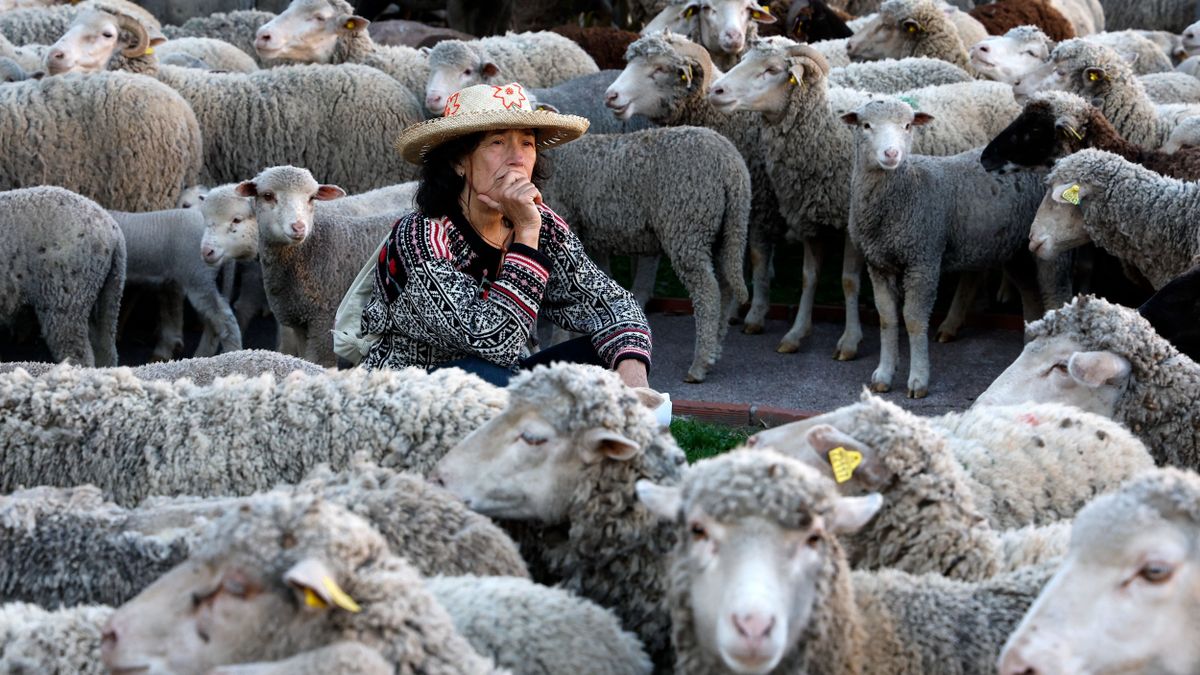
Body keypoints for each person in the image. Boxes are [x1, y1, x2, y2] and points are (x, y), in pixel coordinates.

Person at [358, 82, 652, 388]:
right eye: (497, 142)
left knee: (617, 351)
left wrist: (635, 387)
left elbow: (614, 304)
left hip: (502, 379)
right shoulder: (420, 236)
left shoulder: (542, 224)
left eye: (527, 143)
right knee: (483, 374)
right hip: (414, 391)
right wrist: (526, 233)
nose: (517, 159)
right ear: (458, 161)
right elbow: (495, 342)